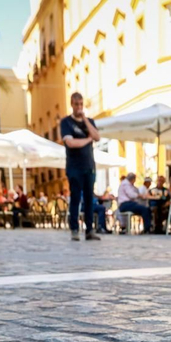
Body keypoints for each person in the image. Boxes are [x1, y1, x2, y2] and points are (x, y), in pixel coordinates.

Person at [59, 91, 101, 241]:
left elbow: (97, 137)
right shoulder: (66, 123)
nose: (79, 107)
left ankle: (90, 230)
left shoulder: (89, 121)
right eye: (76, 104)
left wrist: (85, 119)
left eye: (81, 104)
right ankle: (75, 230)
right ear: (72, 104)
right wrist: (87, 140)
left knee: (89, 199)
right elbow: (71, 143)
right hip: (74, 167)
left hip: (89, 166)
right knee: (75, 198)